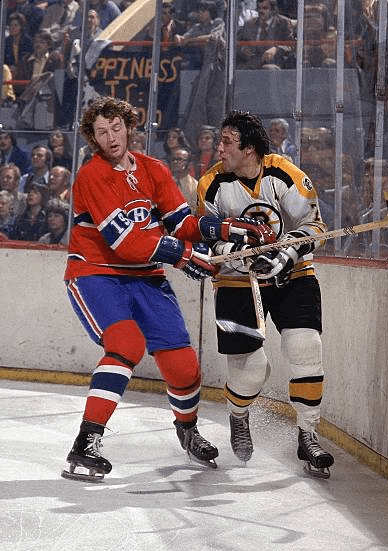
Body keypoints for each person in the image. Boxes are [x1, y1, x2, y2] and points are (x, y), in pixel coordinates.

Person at [61, 96, 269, 481]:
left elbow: (183, 224)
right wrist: (183, 255)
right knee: (126, 345)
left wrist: (226, 228)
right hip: (96, 273)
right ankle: (86, 441)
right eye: (101, 132)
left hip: (147, 278)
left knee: (184, 367)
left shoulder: (153, 169)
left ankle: (187, 431)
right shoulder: (92, 175)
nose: (111, 137)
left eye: (116, 128)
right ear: (93, 137)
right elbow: (125, 241)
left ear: (129, 127)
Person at [197, 109, 335, 478]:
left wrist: (287, 253)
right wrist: (237, 256)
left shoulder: (284, 173)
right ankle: (238, 415)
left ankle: (308, 434)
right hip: (236, 283)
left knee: (305, 349)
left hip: (294, 276)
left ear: (250, 148)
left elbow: (315, 225)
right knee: (253, 371)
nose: (219, 148)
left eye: (227, 142)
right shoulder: (211, 183)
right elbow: (204, 236)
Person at [236, 0, 295, 70]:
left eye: (265, 8)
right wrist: (243, 49)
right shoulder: (249, 24)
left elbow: (290, 45)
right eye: (259, 8)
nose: (261, 11)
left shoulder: (283, 23)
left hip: (274, 63)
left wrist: (276, 49)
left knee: (270, 69)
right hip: (252, 64)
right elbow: (238, 43)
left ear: (273, 10)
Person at [170, 147, 198, 212]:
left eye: (180, 159)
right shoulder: (165, 182)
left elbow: (194, 210)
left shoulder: (195, 186)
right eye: (173, 159)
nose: (175, 162)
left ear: (190, 164)